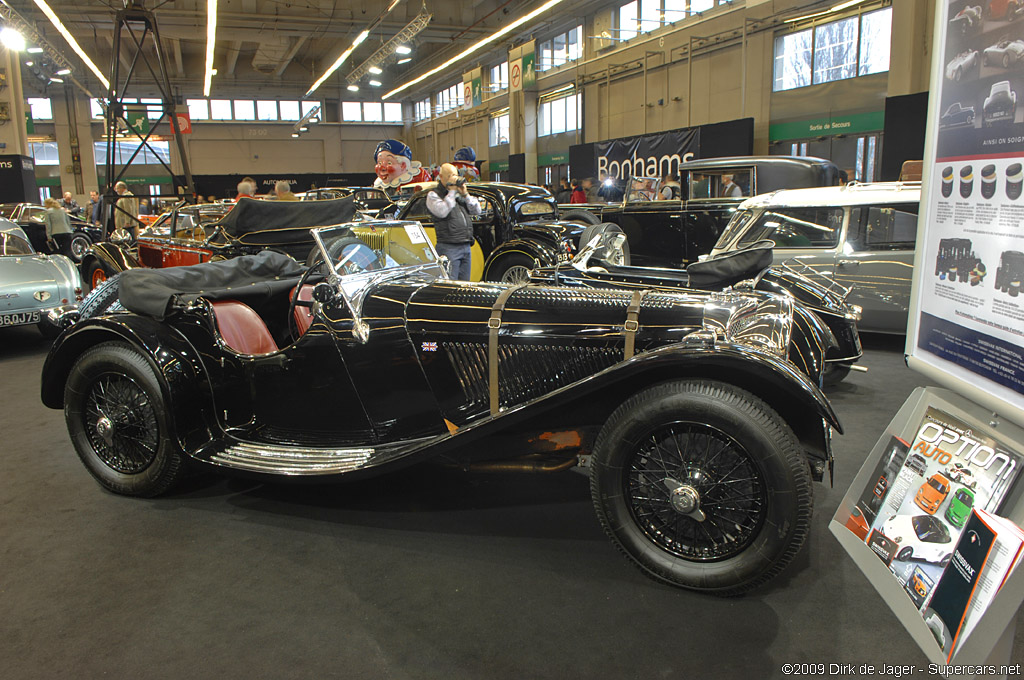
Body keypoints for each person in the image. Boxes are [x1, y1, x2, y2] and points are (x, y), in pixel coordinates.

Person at [427, 163, 481, 281]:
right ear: (441, 177)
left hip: (465, 245)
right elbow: (442, 212)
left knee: (465, 286)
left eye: (455, 175)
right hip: (448, 247)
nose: (454, 178)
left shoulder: (459, 194)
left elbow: (477, 211)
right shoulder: (433, 195)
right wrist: (451, 192)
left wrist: (465, 194)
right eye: (450, 175)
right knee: (451, 286)